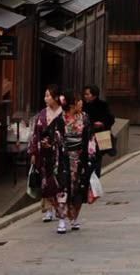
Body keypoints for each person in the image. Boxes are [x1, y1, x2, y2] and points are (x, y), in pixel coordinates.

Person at [28, 85, 65, 228]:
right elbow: (35, 134)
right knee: (45, 180)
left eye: (48, 96)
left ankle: (58, 207)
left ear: (56, 97)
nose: (45, 98)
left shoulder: (63, 113)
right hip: (43, 152)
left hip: (58, 153)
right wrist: (33, 152)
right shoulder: (43, 114)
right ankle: (47, 208)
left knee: (57, 180)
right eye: (45, 96)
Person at [59, 90, 95, 232]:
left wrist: (91, 154)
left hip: (80, 157)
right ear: (72, 104)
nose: (81, 102)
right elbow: (55, 137)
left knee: (79, 188)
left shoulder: (84, 118)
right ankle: (61, 220)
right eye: (78, 100)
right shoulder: (61, 119)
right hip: (64, 157)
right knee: (63, 188)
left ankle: (75, 218)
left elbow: (90, 137)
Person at [83, 83, 115, 178]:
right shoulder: (83, 106)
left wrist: (102, 123)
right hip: (87, 136)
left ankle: (96, 180)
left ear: (94, 95)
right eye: (85, 94)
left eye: (87, 94)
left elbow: (110, 119)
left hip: (100, 135)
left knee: (97, 159)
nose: (85, 96)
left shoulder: (103, 105)